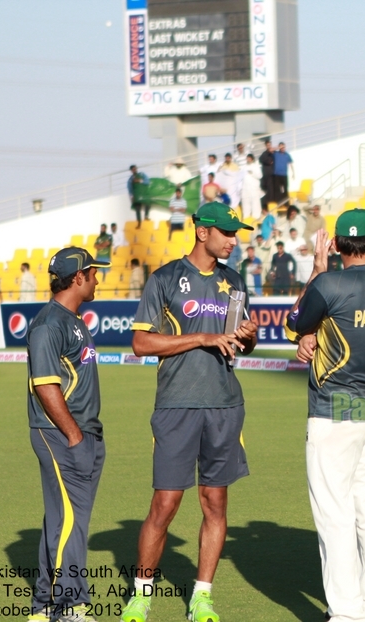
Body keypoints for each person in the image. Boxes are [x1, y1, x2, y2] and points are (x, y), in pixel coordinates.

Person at [120, 202, 258, 622]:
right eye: (227, 233)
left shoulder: (234, 281)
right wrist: (200, 337)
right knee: (165, 503)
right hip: (177, 404)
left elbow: (238, 344)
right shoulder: (164, 279)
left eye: (237, 234)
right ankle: (141, 594)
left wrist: (247, 337)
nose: (234, 241)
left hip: (225, 404)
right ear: (203, 232)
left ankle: (202, 597)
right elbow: (141, 344)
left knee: (215, 502)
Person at [284, 210, 365, 622]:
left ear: (335, 245)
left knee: (334, 515)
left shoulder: (329, 282)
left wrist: (317, 272)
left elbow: (294, 323)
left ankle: (347, 612)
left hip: (335, 410)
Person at [25, 247, 108, 622]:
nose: (97, 278)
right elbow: (45, 385)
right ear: (78, 277)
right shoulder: (49, 324)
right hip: (59, 434)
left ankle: (44, 605)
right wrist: (74, 435)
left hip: (83, 433)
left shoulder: (74, 319)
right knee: (72, 520)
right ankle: (69, 604)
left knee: (62, 520)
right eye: (93, 273)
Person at [241, 153, 264, 221]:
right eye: (247, 158)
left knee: (255, 202)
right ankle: (246, 217)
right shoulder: (244, 167)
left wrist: (253, 173)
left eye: (249, 158)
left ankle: (256, 216)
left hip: (254, 188)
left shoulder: (256, 166)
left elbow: (260, 176)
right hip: (245, 188)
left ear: (252, 159)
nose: (248, 160)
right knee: (246, 202)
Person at [259, 140, 276, 206]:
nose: (269, 146)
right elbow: (261, 159)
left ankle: (273, 203)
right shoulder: (264, 154)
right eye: (267, 145)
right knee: (269, 190)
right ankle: (268, 204)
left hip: (274, 174)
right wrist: (269, 161)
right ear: (266, 146)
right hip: (267, 175)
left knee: (274, 190)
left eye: (270, 145)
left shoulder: (274, 153)